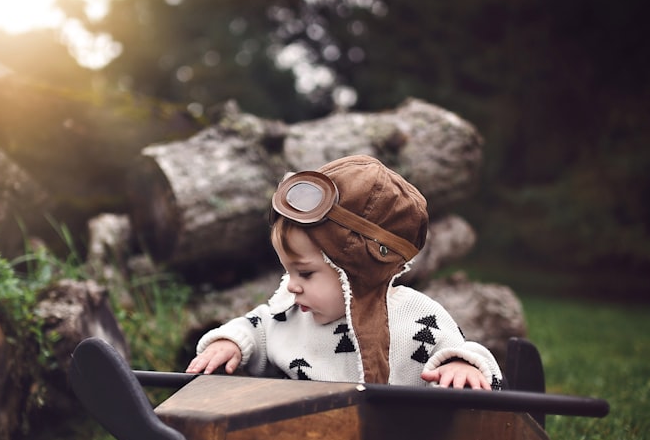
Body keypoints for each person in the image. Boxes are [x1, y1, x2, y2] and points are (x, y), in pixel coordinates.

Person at [186, 154, 502, 390]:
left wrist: (462, 365)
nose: (291, 287)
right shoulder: (289, 315)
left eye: (305, 274)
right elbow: (256, 329)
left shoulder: (415, 316)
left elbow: (457, 352)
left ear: (357, 269)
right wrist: (231, 343)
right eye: (288, 272)